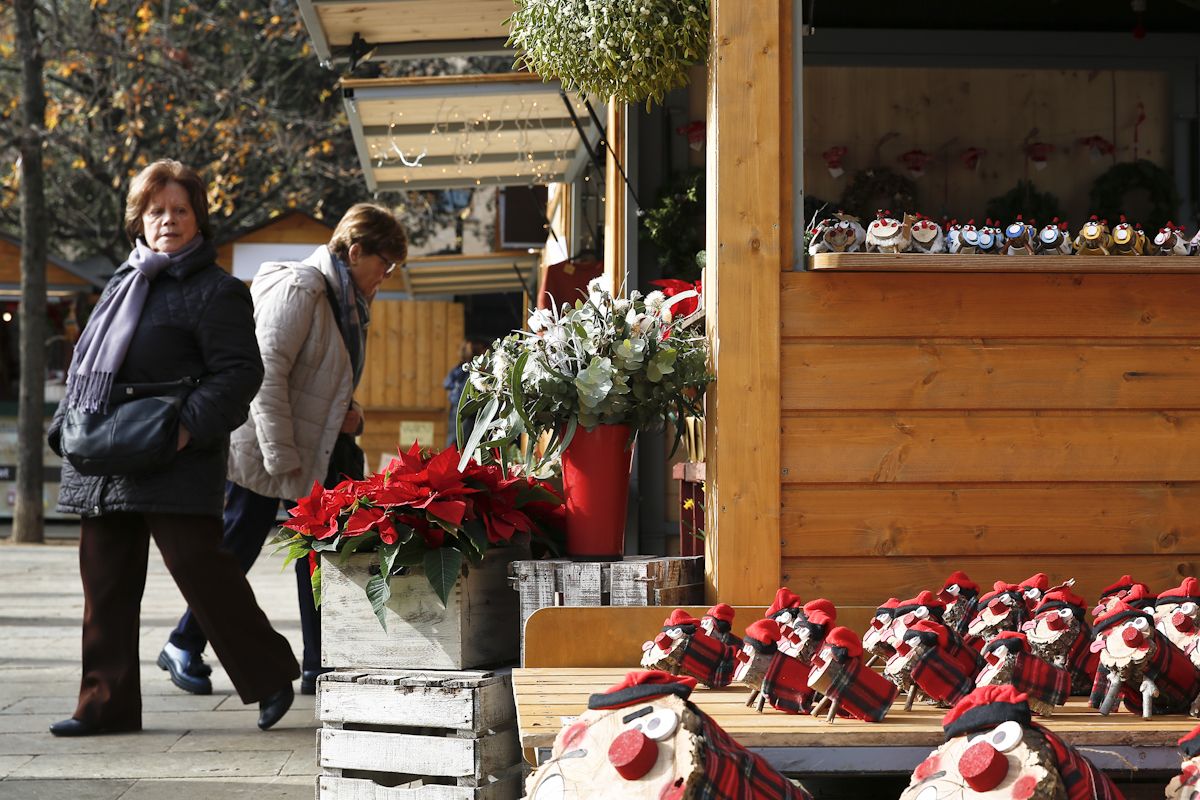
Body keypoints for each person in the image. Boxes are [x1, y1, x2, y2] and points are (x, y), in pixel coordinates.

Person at [47, 159, 298, 736]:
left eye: (180, 210)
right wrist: (63, 427)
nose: (168, 220)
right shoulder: (121, 281)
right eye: (157, 210)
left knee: (202, 571)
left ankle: (268, 674)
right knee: (104, 583)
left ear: (197, 218)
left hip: (174, 457)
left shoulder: (218, 291)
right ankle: (104, 705)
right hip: (105, 458)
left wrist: (184, 429)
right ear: (140, 218)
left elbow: (239, 374)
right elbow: (86, 363)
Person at [158, 203, 408, 697]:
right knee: (235, 549)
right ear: (356, 251)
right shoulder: (303, 289)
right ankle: (182, 643)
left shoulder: (345, 300)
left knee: (318, 550)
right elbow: (264, 376)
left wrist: (345, 414)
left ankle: (320, 663)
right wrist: (281, 458)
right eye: (385, 264)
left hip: (312, 446)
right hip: (272, 447)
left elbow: (321, 379)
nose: (386, 276)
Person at [444, 338, 487, 448]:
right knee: (464, 443)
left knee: (454, 440)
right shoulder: (473, 372)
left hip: (456, 409)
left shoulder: (459, 368)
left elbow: (447, 383)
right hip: (468, 411)